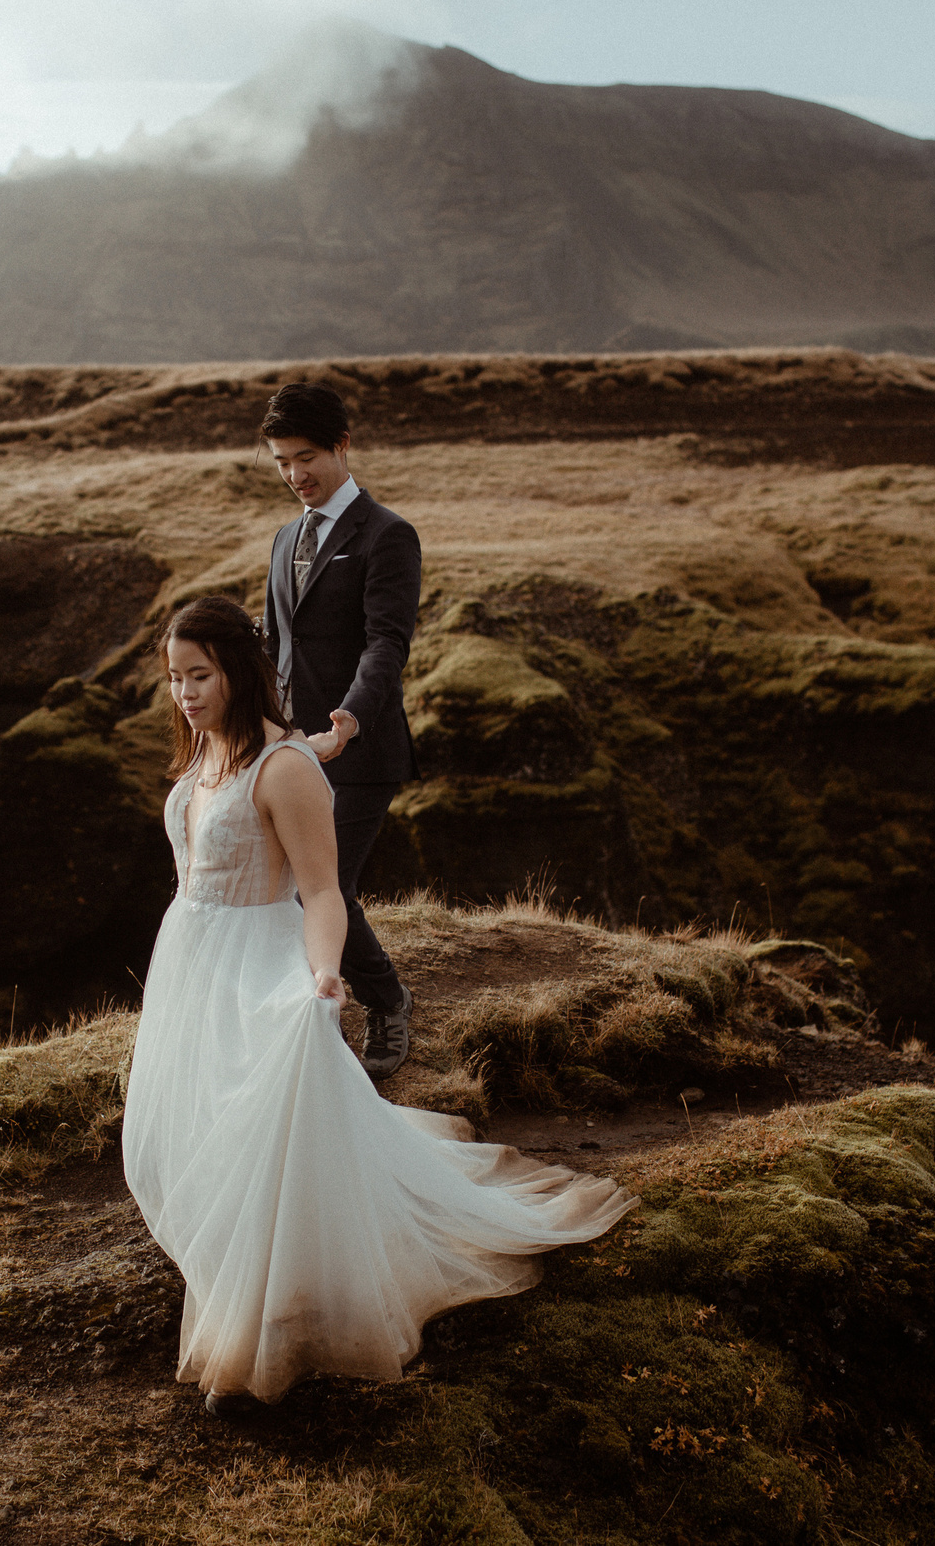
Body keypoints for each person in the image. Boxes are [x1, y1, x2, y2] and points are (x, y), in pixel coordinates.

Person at [122, 595, 635, 1412]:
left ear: (238, 671)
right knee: (200, 1127)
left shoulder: (282, 768)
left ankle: (258, 1329)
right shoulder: (209, 751)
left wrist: (325, 974)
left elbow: (324, 891)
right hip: (193, 963)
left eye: (200, 675)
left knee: (268, 1136)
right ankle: (233, 1275)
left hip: (259, 964)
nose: (184, 693)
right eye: (175, 678)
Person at [259, 381, 419, 1077]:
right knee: (286, 886)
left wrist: (350, 715)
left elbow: (387, 642)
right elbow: (273, 646)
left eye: (307, 457)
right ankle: (308, 1013)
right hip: (293, 751)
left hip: (361, 748)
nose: (296, 475)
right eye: (282, 462)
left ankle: (387, 1001)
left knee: (318, 887)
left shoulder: (388, 535)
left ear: (342, 446)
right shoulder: (283, 537)